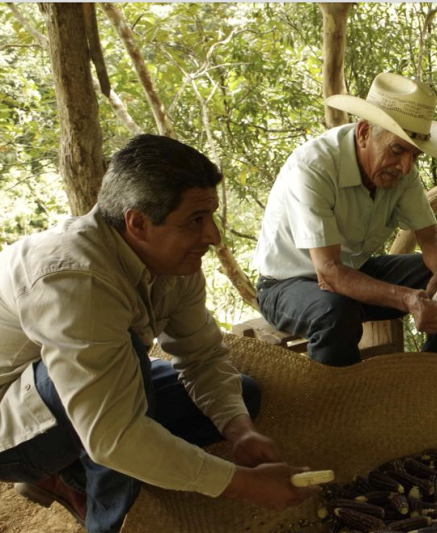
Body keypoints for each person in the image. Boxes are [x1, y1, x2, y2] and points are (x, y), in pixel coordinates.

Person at [0, 135, 318, 532]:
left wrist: (240, 431)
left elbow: (200, 356)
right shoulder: (75, 278)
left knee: (241, 397)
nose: (214, 236)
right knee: (126, 386)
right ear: (138, 223)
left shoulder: (172, 261)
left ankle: (68, 474)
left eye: (212, 216)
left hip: (61, 395)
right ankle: (108, 522)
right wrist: (241, 484)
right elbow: (113, 435)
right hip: (7, 428)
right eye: (196, 220)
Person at [253, 72, 437, 367]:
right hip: (287, 286)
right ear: (365, 132)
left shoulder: (401, 170)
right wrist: (408, 299)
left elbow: (431, 236)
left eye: (415, 156)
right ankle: (341, 404)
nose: (406, 167)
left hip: (353, 273)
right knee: (335, 312)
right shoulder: (314, 167)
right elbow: (328, 273)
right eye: (398, 150)